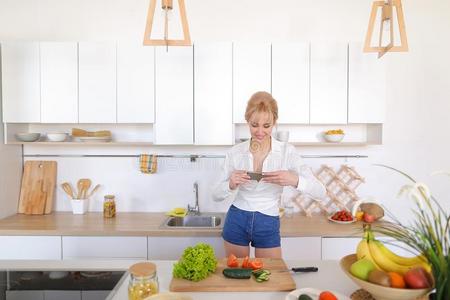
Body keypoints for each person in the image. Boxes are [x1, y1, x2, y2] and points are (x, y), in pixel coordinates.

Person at [212, 91, 326, 258]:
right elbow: (215, 195)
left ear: (274, 123)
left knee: (270, 277)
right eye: (254, 125)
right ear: (247, 122)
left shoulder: (287, 152)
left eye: (266, 126)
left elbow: (321, 192)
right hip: (237, 218)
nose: (259, 132)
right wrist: (230, 184)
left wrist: (294, 180)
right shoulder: (235, 153)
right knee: (238, 275)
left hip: (268, 220)